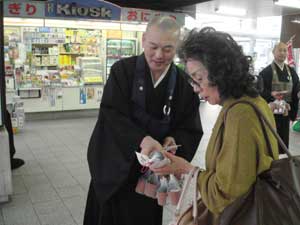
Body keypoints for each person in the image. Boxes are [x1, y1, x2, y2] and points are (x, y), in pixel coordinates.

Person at [146, 28, 279, 224]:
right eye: (193, 80)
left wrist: (186, 169)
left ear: (220, 72)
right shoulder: (252, 101)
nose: (195, 87)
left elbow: (225, 195)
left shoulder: (239, 114)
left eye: (199, 78)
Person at [83, 16, 203, 225]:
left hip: (149, 174)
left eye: (167, 49)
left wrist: (173, 140)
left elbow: (190, 127)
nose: (159, 55)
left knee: (143, 216)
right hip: (114, 166)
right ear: (144, 39)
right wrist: (143, 139)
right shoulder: (122, 71)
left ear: (177, 48)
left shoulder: (184, 84)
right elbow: (111, 114)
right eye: (153, 46)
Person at [259, 42, 299, 154]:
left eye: (285, 50)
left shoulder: (291, 72)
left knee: (283, 141)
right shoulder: (266, 72)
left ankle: (280, 162)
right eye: (280, 50)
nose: (282, 53)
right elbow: (260, 89)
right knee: (269, 139)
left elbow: (296, 86)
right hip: (271, 111)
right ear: (273, 52)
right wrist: (271, 94)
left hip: (285, 112)